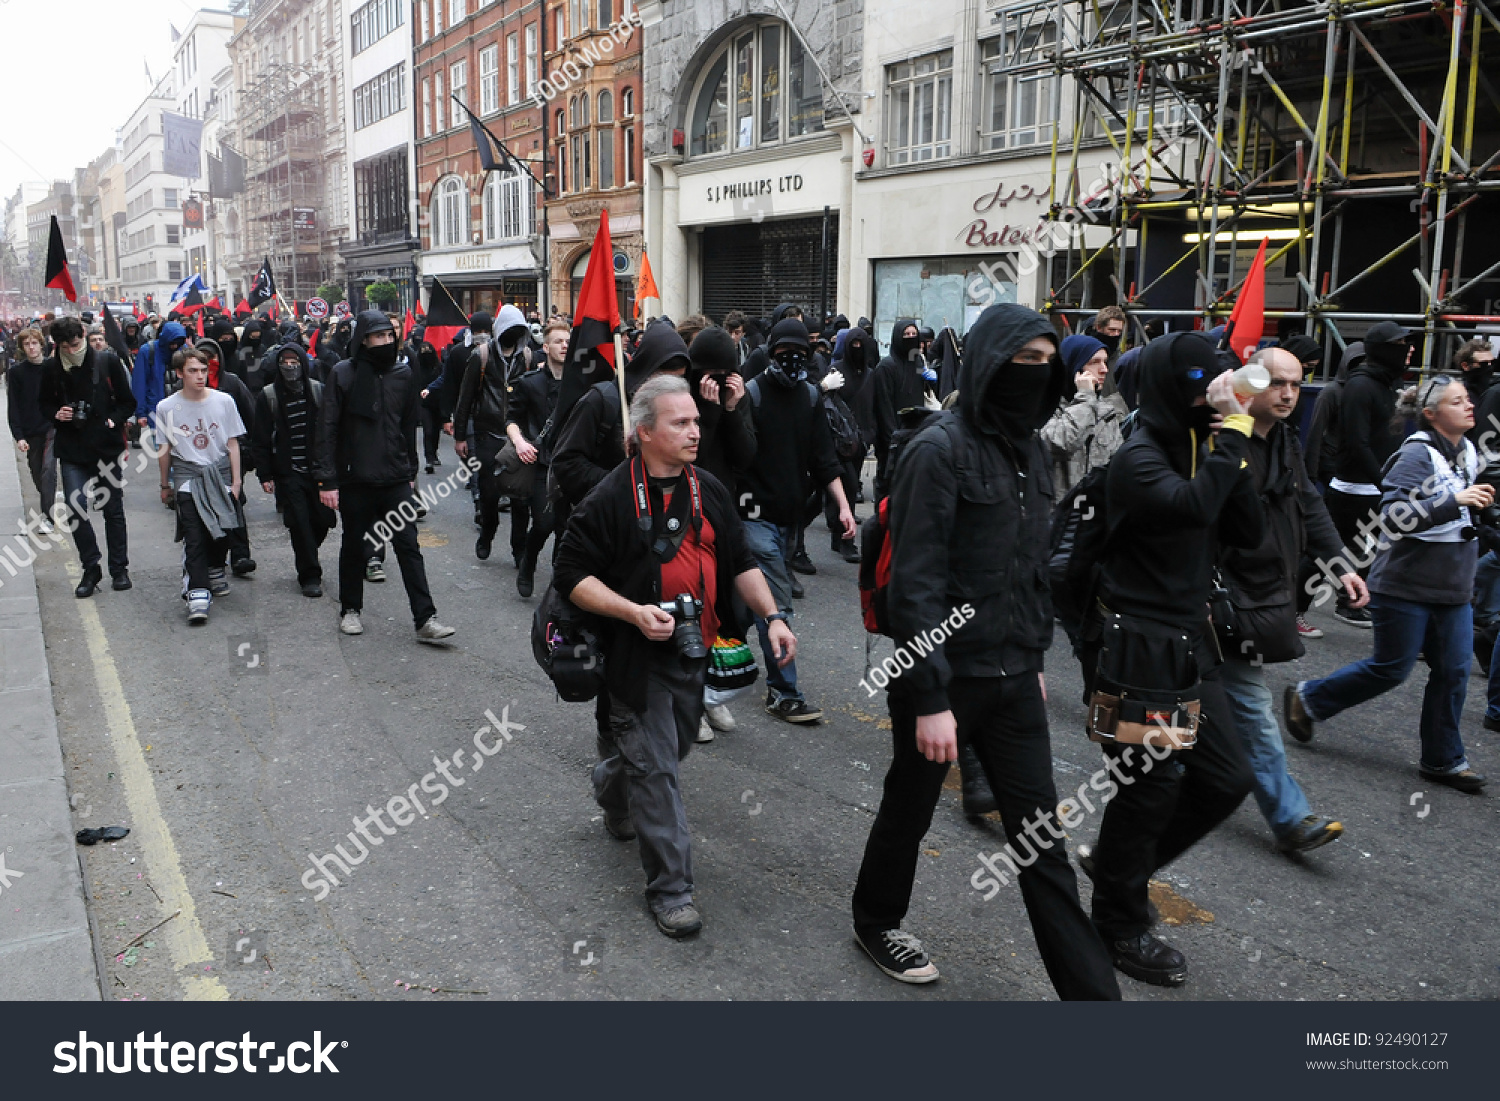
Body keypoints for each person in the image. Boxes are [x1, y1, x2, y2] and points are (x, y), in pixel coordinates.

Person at [849, 302, 1119, 997]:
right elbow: (915, 583)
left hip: (1011, 676)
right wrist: (934, 700)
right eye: (1019, 362)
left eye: (1043, 363)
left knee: (1041, 844)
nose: (1032, 376)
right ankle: (877, 918)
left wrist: (1028, 659)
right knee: (909, 806)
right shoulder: (937, 450)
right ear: (988, 365)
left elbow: (1028, 568)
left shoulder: (1029, 449)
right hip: (938, 679)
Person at [553, 374, 795, 939]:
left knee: (667, 751)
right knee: (659, 771)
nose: (695, 431)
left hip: (695, 652)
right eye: (680, 423)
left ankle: (610, 784)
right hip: (632, 662)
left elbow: (740, 561)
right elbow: (570, 576)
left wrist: (773, 617)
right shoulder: (610, 496)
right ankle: (672, 890)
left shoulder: (707, 487)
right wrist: (634, 612)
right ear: (644, 433)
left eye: (695, 420)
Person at [1076, 331, 1262, 988]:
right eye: (1204, 384)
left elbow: (1250, 532)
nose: (1219, 393)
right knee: (1150, 786)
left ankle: (1119, 866)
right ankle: (1118, 919)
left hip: (1190, 646)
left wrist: (1231, 441)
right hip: (1140, 651)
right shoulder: (1140, 456)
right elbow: (1190, 509)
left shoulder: (1201, 446)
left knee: (1226, 776)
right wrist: (1232, 438)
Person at [1287, 376, 1492, 794]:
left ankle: (1443, 760)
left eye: (1468, 399)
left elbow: (1468, 518)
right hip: (1405, 585)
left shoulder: (1468, 450)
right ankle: (1308, 700)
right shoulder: (1417, 455)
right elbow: (1395, 514)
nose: (1470, 406)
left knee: (1453, 672)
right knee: (1392, 669)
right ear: (1431, 414)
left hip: (1453, 588)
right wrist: (1454, 501)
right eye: (1458, 402)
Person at [1216, 348, 1367, 853]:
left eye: (1296, 385)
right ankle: (1290, 817)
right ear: (1249, 382)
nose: (1287, 394)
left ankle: (1176, 792)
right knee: (1250, 710)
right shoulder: (1219, 438)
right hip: (1212, 602)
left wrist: (1341, 564)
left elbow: (1309, 502)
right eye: (1277, 383)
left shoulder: (1284, 440)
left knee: (1216, 710)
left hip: (1258, 597)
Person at [737, 318, 857, 723]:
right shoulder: (751, 395)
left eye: (802, 354)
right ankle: (784, 692)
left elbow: (825, 459)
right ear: (771, 354)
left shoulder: (808, 398)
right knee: (777, 606)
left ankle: (711, 675)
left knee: (743, 607)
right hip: (753, 517)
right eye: (786, 353)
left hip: (789, 520)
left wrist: (843, 506)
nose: (794, 360)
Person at [316, 310, 456, 644]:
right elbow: (327, 427)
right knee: (354, 546)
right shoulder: (343, 373)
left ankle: (425, 618)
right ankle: (351, 609)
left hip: (395, 477)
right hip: (355, 478)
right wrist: (328, 480)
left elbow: (409, 425)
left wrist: (410, 471)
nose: (386, 342)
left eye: (390, 336)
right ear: (363, 339)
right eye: (378, 336)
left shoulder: (403, 374)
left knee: (409, 547)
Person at [684, 325, 757, 739]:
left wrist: (730, 410)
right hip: (686, 514)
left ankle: (713, 693)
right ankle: (689, 702)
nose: (716, 383)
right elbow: (692, 456)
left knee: (730, 609)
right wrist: (707, 414)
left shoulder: (737, 400)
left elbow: (746, 456)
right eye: (709, 376)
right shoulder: (682, 400)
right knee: (692, 610)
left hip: (724, 513)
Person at [38, 317, 136, 597]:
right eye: (64, 347)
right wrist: (57, 413)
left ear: (83, 335)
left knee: (112, 509)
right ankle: (91, 567)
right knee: (75, 507)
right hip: (72, 449)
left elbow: (128, 402)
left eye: (75, 344)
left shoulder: (106, 361)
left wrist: (111, 420)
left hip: (105, 447)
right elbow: (43, 403)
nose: (71, 351)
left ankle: (119, 569)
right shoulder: (51, 367)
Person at [1325, 322, 1411, 627]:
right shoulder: (1361, 387)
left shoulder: (1388, 384)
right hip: (1354, 487)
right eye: (1402, 344)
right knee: (1345, 550)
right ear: (1385, 350)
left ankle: (1357, 598)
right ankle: (1331, 603)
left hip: (1376, 484)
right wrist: (1384, 482)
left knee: (1373, 549)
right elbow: (1357, 441)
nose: (1410, 349)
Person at [154, 347, 244, 623]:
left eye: (204, 370)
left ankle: (216, 567)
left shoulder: (224, 401)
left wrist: (237, 482)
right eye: (192, 371)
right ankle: (197, 592)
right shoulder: (167, 407)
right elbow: (164, 447)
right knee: (194, 536)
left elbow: (232, 443)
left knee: (223, 530)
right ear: (179, 373)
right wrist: (164, 484)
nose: (200, 376)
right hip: (188, 477)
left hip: (219, 475)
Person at [252, 342, 335, 597]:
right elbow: (261, 438)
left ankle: (308, 549)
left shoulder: (319, 392)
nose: (290, 367)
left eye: (294, 362)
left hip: (318, 471)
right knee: (300, 524)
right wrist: (265, 474)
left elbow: (331, 433)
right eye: (284, 362)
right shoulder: (268, 397)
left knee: (322, 520)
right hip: (289, 472)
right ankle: (310, 575)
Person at [504, 319, 569, 598]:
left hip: (572, 462)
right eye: (558, 341)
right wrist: (519, 443)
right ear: (545, 347)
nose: (564, 346)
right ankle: (528, 562)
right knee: (544, 523)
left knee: (567, 526)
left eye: (568, 341)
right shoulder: (530, 383)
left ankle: (561, 579)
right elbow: (512, 419)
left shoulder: (581, 384)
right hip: (541, 462)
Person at [1040, 334, 1128, 494]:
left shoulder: (1106, 412)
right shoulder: (1045, 408)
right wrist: (1086, 396)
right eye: (1094, 362)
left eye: (1105, 362)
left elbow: (1118, 467)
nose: (1104, 369)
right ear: (1073, 366)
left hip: (1094, 511)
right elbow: (1061, 444)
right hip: (1057, 512)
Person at [870, 318, 934, 500]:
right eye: (906, 334)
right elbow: (883, 406)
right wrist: (893, 437)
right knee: (889, 486)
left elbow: (925, 391)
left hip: (915, 433)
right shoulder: (886, 367)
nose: (911, 338)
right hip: (893, 438)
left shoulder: (917, 362)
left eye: (914, 334)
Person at [8, 327, 56, 525]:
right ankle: (47, 500)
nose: (31, 347)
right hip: (30, 429)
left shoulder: (52, 367)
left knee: (48, 470)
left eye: (34, 343)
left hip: (52, 426)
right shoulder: (17, 372)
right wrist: (18, 436)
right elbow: (14, 405)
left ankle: (48, 516)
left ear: (41, 345)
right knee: (36, 471)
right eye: (27, 344)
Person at [132, 321, 189, 446]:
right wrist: (140, 413)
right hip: (156, 411)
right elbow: (139, 383)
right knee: (163, 452)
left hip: (182, 411)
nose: (174, 346)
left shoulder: (184, 352)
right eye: (172, 342)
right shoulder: (148, 351)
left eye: (177, 343)